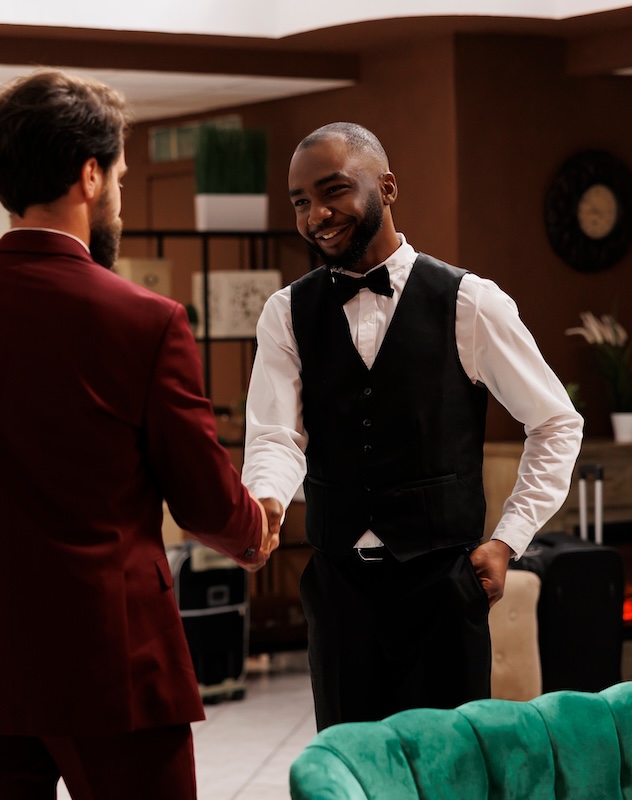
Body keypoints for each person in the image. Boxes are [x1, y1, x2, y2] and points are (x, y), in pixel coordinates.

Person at [0, 69, 275, 800]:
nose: (120, 198)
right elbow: (203, 501)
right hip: (114, 664)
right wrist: (254, 530)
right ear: (89, 175)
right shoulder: (145, 321)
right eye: (121, 178)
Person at [242, 122, 583, 729]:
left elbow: (556, 423)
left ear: (387, 187)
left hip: (443, 590)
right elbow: (277, 435)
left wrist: (508, 539)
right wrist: (266, 496)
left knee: (449, 774)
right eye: (300, 202)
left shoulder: (470, 302)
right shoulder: (285, 313)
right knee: (353, 775)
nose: (316, 214)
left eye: (333, 191)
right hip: (338, 589)